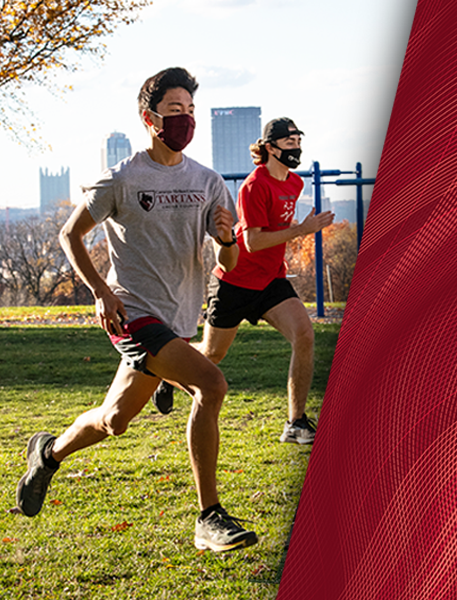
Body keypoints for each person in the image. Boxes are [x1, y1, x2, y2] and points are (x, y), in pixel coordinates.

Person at [15, 67, 258, 553]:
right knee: (211, 384)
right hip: (131, 314)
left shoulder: (208, 182)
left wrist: (227, 237)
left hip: (176, 318)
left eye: (190, 111)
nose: (185, 120)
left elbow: (229, 262)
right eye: (174, 111)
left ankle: (48, 453)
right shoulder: (123, 178)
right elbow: (70, 235)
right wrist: (102, 291)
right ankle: (209, 517)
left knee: (113, 421)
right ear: (149, 118)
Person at [151, 117, 334, 445]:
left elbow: (274, 236)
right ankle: (164, 368)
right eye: (289, 141)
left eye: (298, 140)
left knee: (304, 334)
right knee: (210, 354)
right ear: (270, 148)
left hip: (270, 281)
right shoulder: (254, 186)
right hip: (234, 280)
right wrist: (302, 230)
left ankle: (295, 422)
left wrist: (286, 245)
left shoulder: (294, 183)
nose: (296, 147)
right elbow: (251, 242)